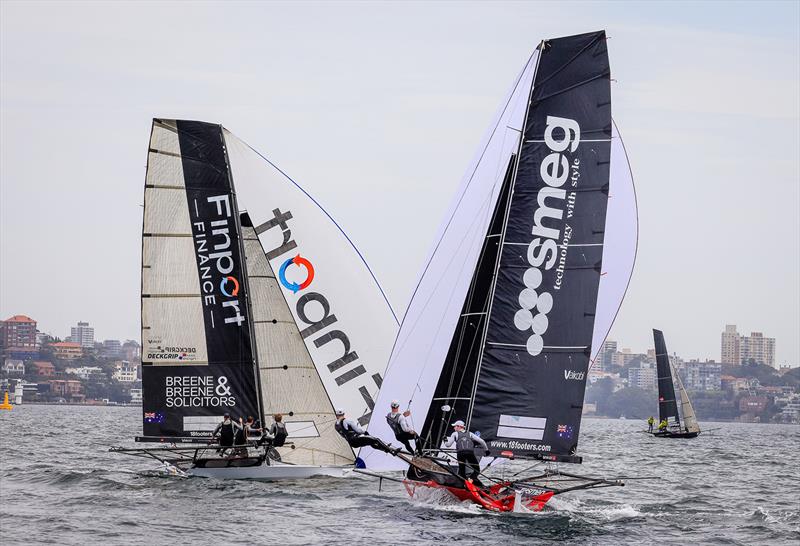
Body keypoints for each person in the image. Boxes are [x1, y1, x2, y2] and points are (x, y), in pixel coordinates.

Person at [442, 420, 489, 486]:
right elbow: (482, 441)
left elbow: (448, 445)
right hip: (470, 453)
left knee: (462, 471)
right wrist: (486, 450)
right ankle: (471, 479)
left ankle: (464, 484)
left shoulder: (454, 434)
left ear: (459, 427)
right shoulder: (470, 433)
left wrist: (445, 439)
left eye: (455, 426)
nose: (454, 428)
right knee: (477, 470)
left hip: (460, 454)